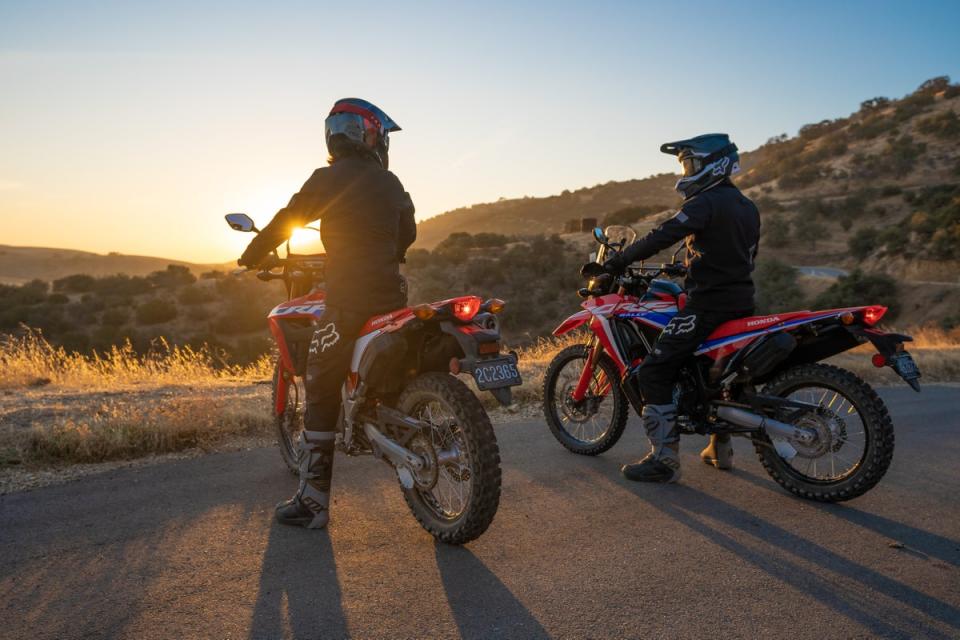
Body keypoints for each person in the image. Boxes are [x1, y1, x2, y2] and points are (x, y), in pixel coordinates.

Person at [238, 98, 416, 528]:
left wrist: (251, 254)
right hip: (392, 297)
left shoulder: (326, 179)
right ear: (372, 136)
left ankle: (314, 503)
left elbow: (288, 219)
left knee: (319, 378)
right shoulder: (389, 181)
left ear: (337, 134)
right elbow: (407, 233)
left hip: (347, 301)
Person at [603, 134, 760, 483]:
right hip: (742, 303)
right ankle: (720, 448)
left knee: (654, 372)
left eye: (691, 163)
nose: (687, 170)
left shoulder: (705, 203)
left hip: (708, 306)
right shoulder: (746, 206)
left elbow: (664, 234)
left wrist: (618, 261)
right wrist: (690, 268)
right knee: (716, 373)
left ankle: (664, 460)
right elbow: (738, 257)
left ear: (713, 164)